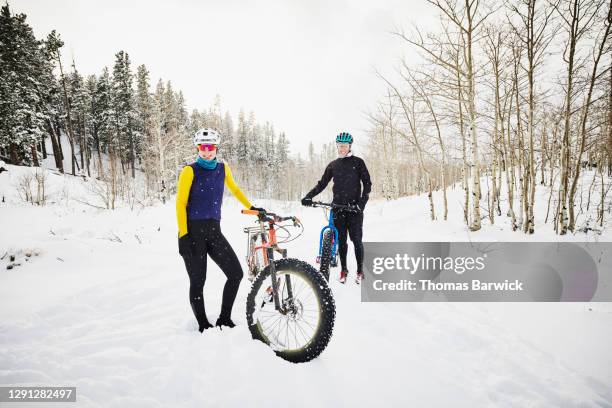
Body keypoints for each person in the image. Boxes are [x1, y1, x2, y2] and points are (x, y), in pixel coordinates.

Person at [176, 128, 264, 332]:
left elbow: (234, 188)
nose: (206, 152)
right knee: (198, 281)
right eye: (202, 148)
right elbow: (180, 204)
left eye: (210, 147)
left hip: (214, 231)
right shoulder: (190, 170)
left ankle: (224, 318)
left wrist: (251, 207)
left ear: (216, 148)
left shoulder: (223, 168)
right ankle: (203, 325)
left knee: (235, 274)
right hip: (192, 233)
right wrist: (183, 235)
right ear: (198, 148)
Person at [301, 132, 372, 284]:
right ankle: (344, 270)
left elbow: (367, 184)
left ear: (350, 146)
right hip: (338, 209)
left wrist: (362, 203)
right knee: (341, 240)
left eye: (344, 146)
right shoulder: (333, 165)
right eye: (339, 146)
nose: (341, 149)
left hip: (355, 210)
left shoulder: (358, 163)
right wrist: (308, 196)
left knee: (357, 240)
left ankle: (360, 270)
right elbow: (322, 184)